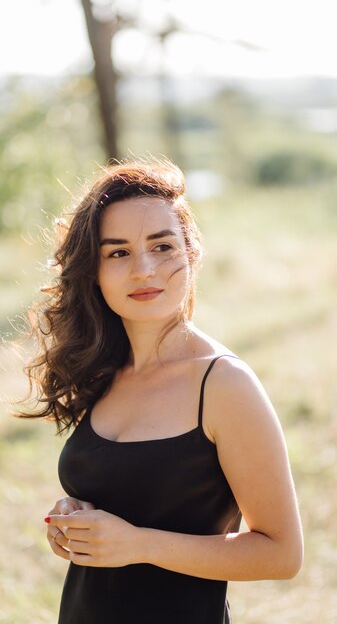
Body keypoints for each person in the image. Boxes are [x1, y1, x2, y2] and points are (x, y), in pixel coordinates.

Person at [17, 158, 303, 624]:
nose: (144, 269)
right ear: (94, 272)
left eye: (162, 246)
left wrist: (138, 545)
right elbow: (128, 491)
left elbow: (282, 554)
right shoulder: (106, 370)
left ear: (192, 254)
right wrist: (75, 521)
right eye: (118, 253)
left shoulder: (224, 384)